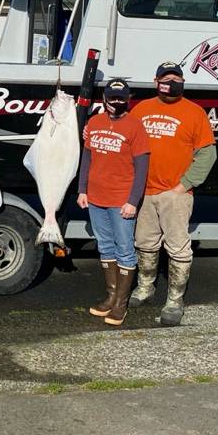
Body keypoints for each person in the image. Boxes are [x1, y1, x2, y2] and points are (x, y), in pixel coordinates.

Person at [129, 61, 217, 326]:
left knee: (178, 249)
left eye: (176, 79)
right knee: (145, 244)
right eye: (165, 79)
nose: (171, 84)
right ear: (156, 82)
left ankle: (175, 301)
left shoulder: (194, 112)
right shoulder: (141, 109)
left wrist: (183, 185)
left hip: (176, 194)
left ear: (182, 82)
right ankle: (145, 287)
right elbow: (125, 140)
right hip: (144, 193)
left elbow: (207, 154)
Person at [76, 78, 149, 327]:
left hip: (121, 201)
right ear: (104, 98)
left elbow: (141, 169)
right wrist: (81, 189)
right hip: (95, 198)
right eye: (111, 97)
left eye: (121, 98)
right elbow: (87, 159)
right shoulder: (93, 123)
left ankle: (121, 303)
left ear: (127, 99)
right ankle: (110, 296)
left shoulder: (135, 126)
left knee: (125, 249)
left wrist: (132, 201)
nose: (116, 102)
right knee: (105, 246)